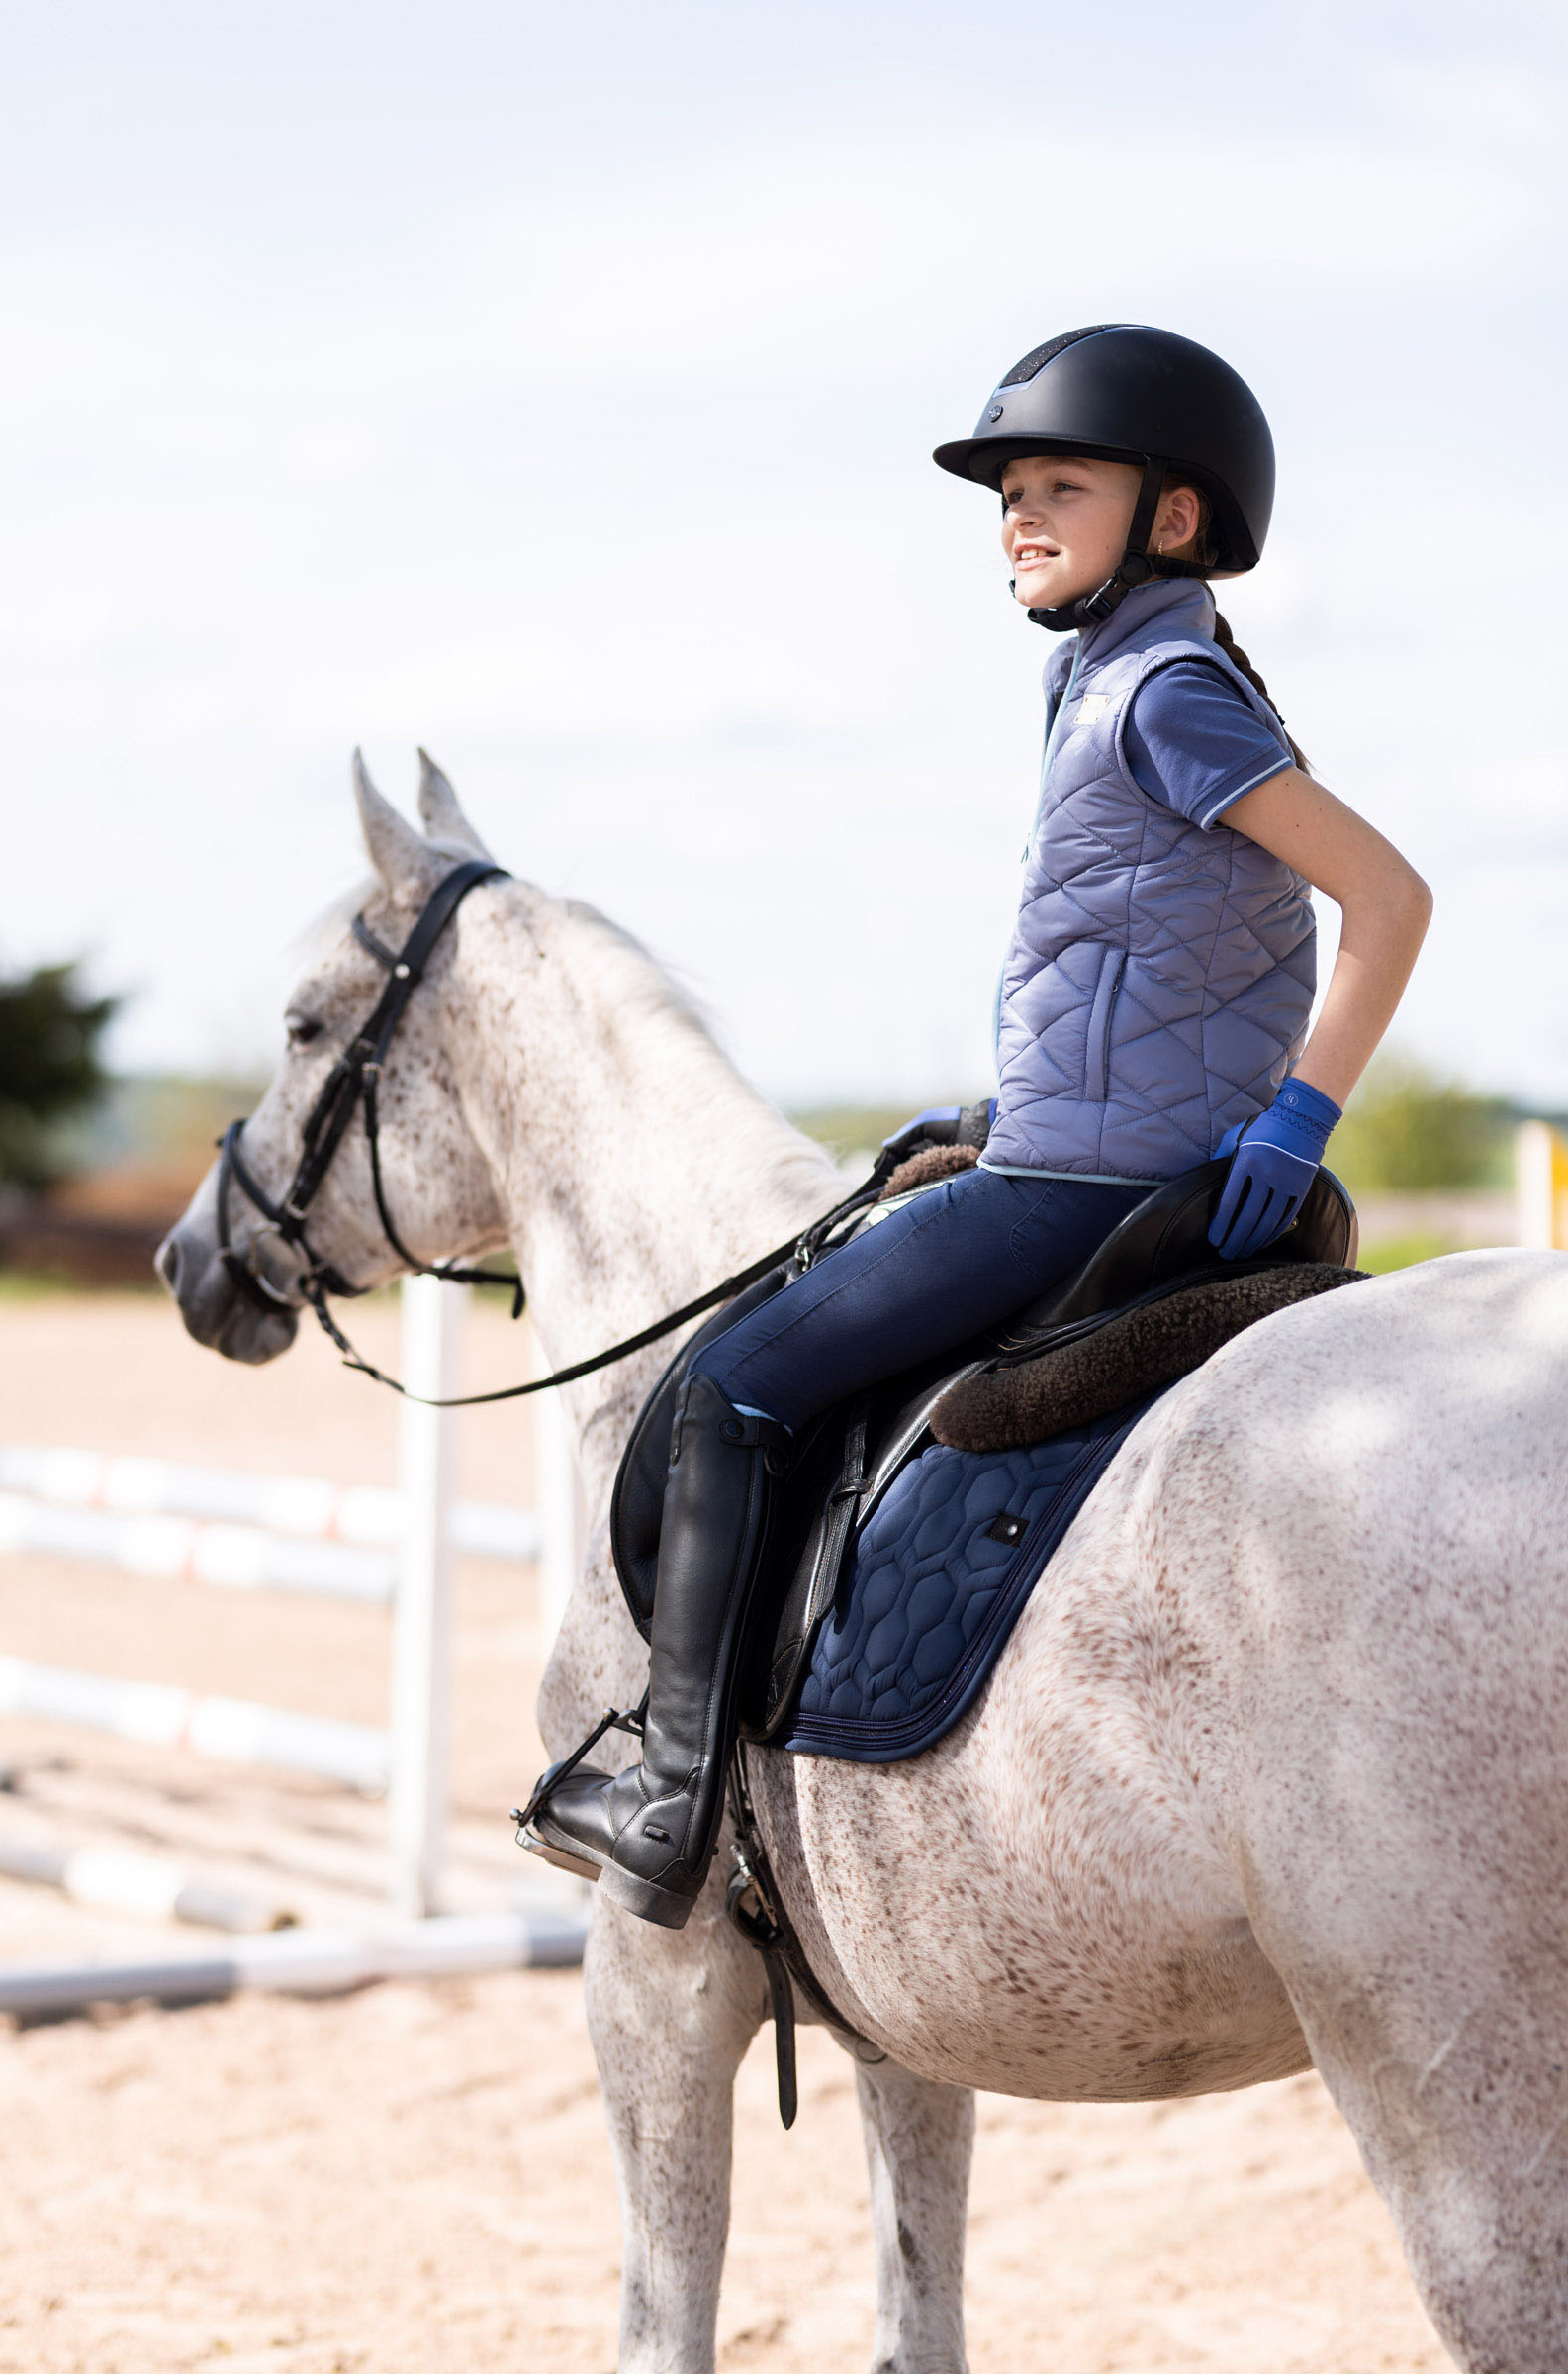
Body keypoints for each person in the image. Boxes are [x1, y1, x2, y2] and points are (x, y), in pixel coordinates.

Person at [521, 323, 1432, 1928]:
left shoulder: (1161, 694)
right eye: (1010, 491)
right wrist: (1010, 1098)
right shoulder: (1115, 679)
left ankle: (668, 1801)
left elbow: (1388, 895)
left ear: (1171, 516)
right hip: (1080, 1140)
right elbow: (1147, 955)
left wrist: (1301, 1118)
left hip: (1077, 1189)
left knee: (730, 1389)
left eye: (1060, 485)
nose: (1019, 514)